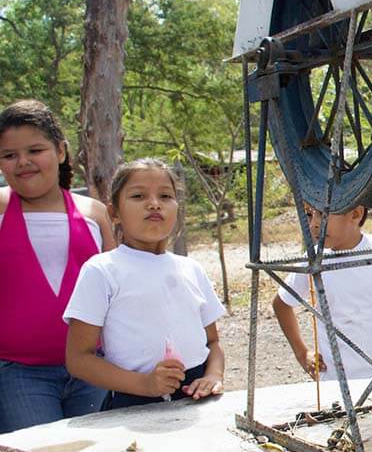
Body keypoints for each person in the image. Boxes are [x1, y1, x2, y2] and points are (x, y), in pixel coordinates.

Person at [64, 158, 226, 410]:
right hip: (132, 404)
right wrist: (145, 384)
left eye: (165, 196)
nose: (154, 204)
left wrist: (213, 376)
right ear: (114, 213)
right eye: (138, 196)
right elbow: (78, 359)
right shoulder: (102, 270)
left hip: (199, 401)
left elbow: (213, 344)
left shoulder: (191, 269)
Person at [0, 100, 114, 433]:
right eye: (9, 155)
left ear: (61, 151)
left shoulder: (94, 212)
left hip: (94, 369)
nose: (24, 162)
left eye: (36, 150)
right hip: (19, 373)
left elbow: (117, 291)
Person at [273, 205, 372, 381]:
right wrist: (302, 354)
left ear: (355, 214)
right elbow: (281, 304)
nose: (314, 224)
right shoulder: (313, 260)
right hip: (333, 383)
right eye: (310, 215)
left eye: (323, 215)